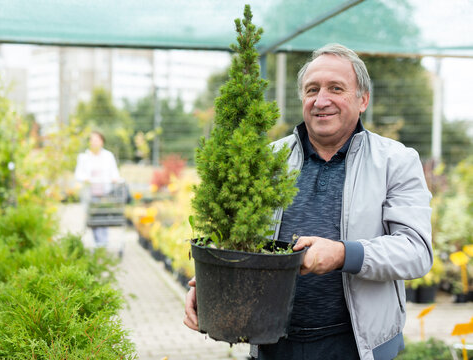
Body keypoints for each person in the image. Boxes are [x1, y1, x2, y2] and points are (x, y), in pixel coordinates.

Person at [184, 43, 433, 360]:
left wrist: (343, 253)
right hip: (273, 344)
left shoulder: (395, 161)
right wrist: (208, 287)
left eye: (336, 88)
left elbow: (416, 251)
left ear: (363, 100)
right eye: (312, 89)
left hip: (356, 349)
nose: (321, 100)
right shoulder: (268, 160)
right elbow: (240, 242)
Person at [74, 131, 123, 247]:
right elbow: (78, 174)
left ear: (102, 142)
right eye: (92, 140)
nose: (95, 142)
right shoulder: (84, 157)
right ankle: (98, 242)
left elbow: (114, 173)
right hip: (90, 194)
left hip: (105, 193)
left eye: (97, 140)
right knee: (93, 219)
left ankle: (102, 243)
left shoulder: (108, 156)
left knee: (103, 218)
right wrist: (87, 179)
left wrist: (116, 179)